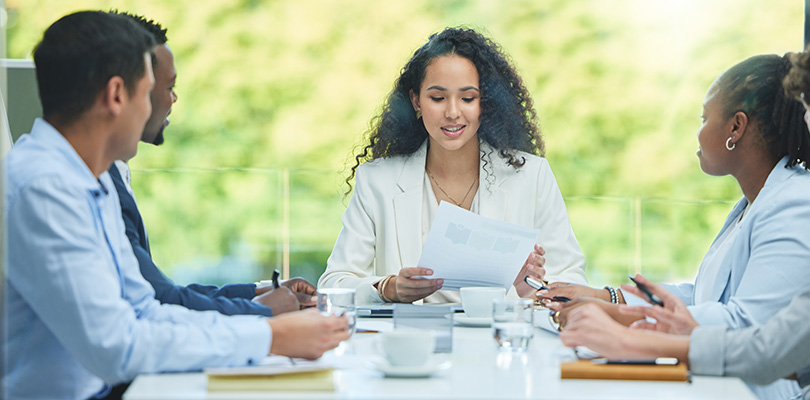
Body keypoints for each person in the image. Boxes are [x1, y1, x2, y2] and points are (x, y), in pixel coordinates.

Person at [2, 11, 349, 399]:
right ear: (116, 95)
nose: (151, 109)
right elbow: (118, 347)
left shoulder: (90, 178)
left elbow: (145, 310)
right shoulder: (45, 187)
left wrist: (265, 330)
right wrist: (270, 336)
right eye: (146, 92)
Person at [558, 23, 810, 400]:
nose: (803, 119)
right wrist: (619, 306)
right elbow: (803, 350)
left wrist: (631, 336)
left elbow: (768, 345)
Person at [319, 28, 587, 304]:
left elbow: (573, 285)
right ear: (416, 101)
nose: (453, 112)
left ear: (485, 103)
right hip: (411, 332)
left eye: (468, 98)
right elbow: (333, 285)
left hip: (497, 332)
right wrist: (387, 288)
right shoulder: (377, 181)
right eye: (438, 98)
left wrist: (529, 289)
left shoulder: (531, 176)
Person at [107, 11, 313, 317]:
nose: (174, 99)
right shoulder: (98, 183)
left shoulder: (112, 175)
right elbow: (160, 298)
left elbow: (162, 291)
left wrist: (258, 291)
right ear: (122, 92)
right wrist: (257, 309)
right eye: (166, 87)